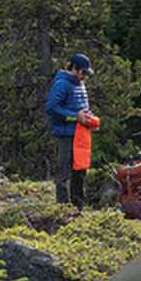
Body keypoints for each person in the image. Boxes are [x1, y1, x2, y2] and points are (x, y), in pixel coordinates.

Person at [45, 54, 98, 208]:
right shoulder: (62, 84)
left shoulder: (80, 83)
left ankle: (78, 207)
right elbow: (51, 108)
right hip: (66, 135)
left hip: (81, 135)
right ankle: (63, 207)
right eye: (83, 72)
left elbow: (82, 108)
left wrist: (90, 118)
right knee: (65, 171)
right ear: (74, 68)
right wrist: (75, 117)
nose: (84, 76)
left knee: (80, 170)